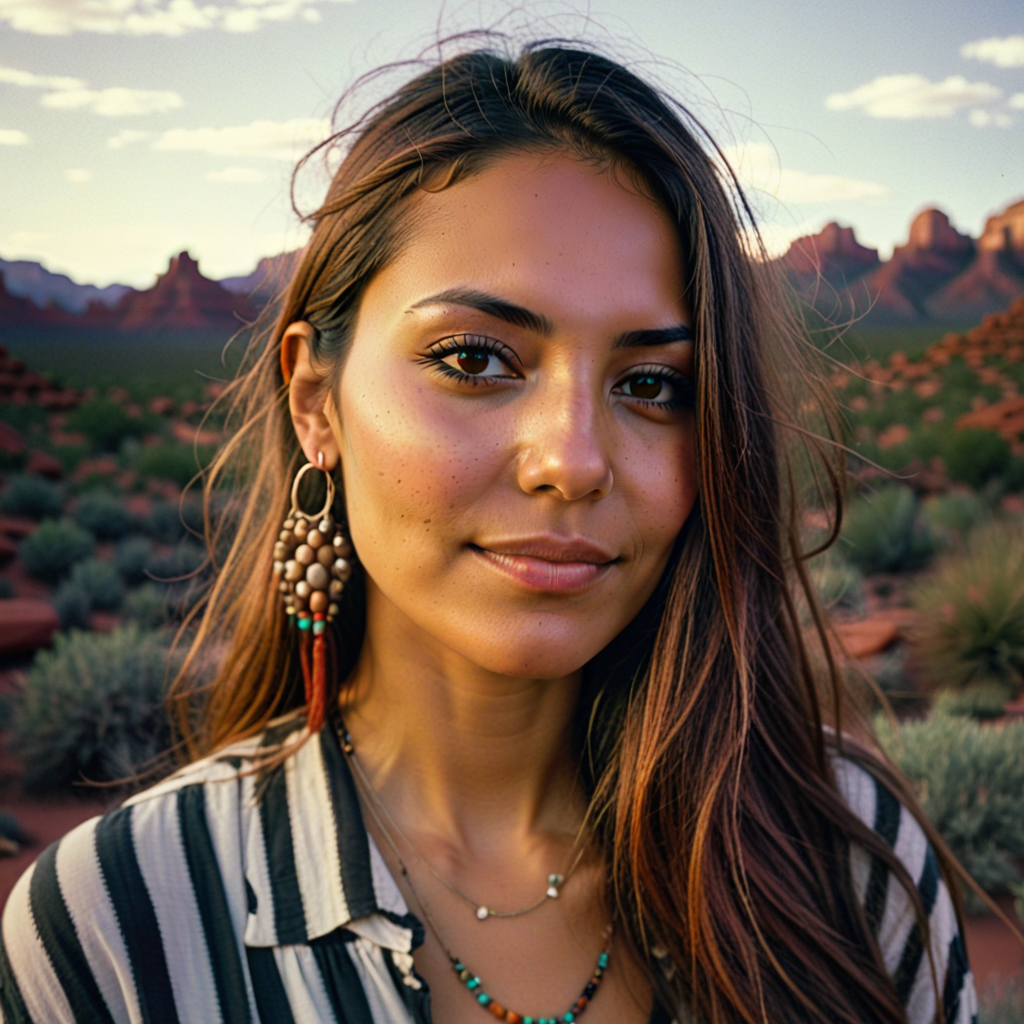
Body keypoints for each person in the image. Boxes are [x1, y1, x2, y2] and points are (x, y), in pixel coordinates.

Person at [0, 40, 977, 1024]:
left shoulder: (847, 856)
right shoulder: (116, 926)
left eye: (651, 385)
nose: (572, 458)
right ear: (315, 401)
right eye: (475, 359)